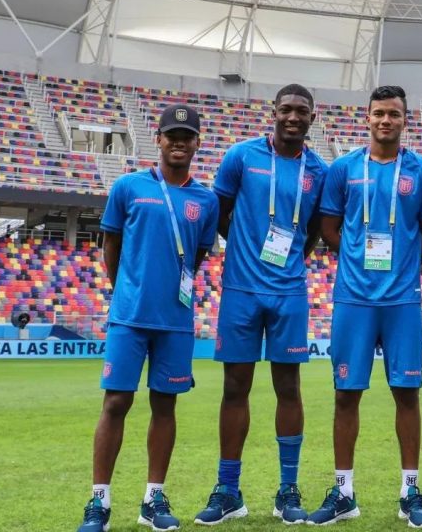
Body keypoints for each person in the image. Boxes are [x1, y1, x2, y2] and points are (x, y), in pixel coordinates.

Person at [78, 104, 218, 532]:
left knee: (165, 405)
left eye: (186, 135)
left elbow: (194, 257)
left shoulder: (206, 199)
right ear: (157, 139)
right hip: (130, 316)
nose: (178, 141)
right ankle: (98, 502)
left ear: (197, 143)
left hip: (175, 320)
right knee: (116, 402)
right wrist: (127, 291)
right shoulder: (127, 187)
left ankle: (152, 499)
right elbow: (111, 245)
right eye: (171, 134)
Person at [309, 85, 422, 527]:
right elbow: (329, 227)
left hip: (403, 299)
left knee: (408, 393)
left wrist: (405, 267)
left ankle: (410, 491)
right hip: (353, 298)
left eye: (394, 114)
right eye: (379, 113)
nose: (386, 120)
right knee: (346, 394)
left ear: (406, 120)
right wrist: (356, 259)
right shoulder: (343, 169)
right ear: (366, 118)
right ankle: (343, 492)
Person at [195, 84, 328, 526]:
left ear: (313, 117)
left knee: (288, 387)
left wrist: (286, 258)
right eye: (286, 109)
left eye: (301, 111)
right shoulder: (241, 157)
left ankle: (288, 488)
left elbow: (310, 232)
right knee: (236, 386)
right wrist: (249, 251)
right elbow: (220, 212)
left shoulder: (319, 171)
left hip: (289, 290)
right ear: (273, 112)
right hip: (241, 289)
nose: (293, 117)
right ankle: (227, 489)